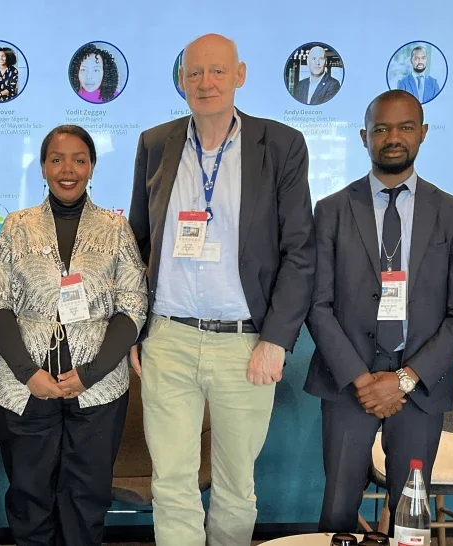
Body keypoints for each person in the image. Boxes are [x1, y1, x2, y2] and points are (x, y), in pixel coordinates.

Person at [128, 33, 315, 545]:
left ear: (240, 75)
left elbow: (301, 251)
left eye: (216, 71)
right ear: (182, 79)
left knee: (236, 486)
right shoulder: (154, 143)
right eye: (194, 73)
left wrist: (276, 340)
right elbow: (137, 242)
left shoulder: (280, 146)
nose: (205, 83)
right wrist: (136, 331)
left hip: (246, 344)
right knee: (171, 484)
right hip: (169, 338)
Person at [304, 89, 453, 534]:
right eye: (381, 128)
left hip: (420, 385)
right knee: (339, 508)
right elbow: (317, 304)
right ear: (364, 136)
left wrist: (403, 380)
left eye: (405, 127)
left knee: (410, 512)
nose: (393, 137)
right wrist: (364, 382)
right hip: (348, 382)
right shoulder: (331, 211)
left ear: (422, 134)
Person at [0, 125, 147, 546]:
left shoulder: (115, 228)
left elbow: (133, 307)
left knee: (85, 498)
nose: (67, 169)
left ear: (91, 167)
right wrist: (27, 372)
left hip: (97, 389)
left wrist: (90, 372)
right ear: (42, 167)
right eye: (56, 159)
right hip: (26, 389)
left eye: (78, 159)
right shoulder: (16, 227)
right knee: (29, 496)